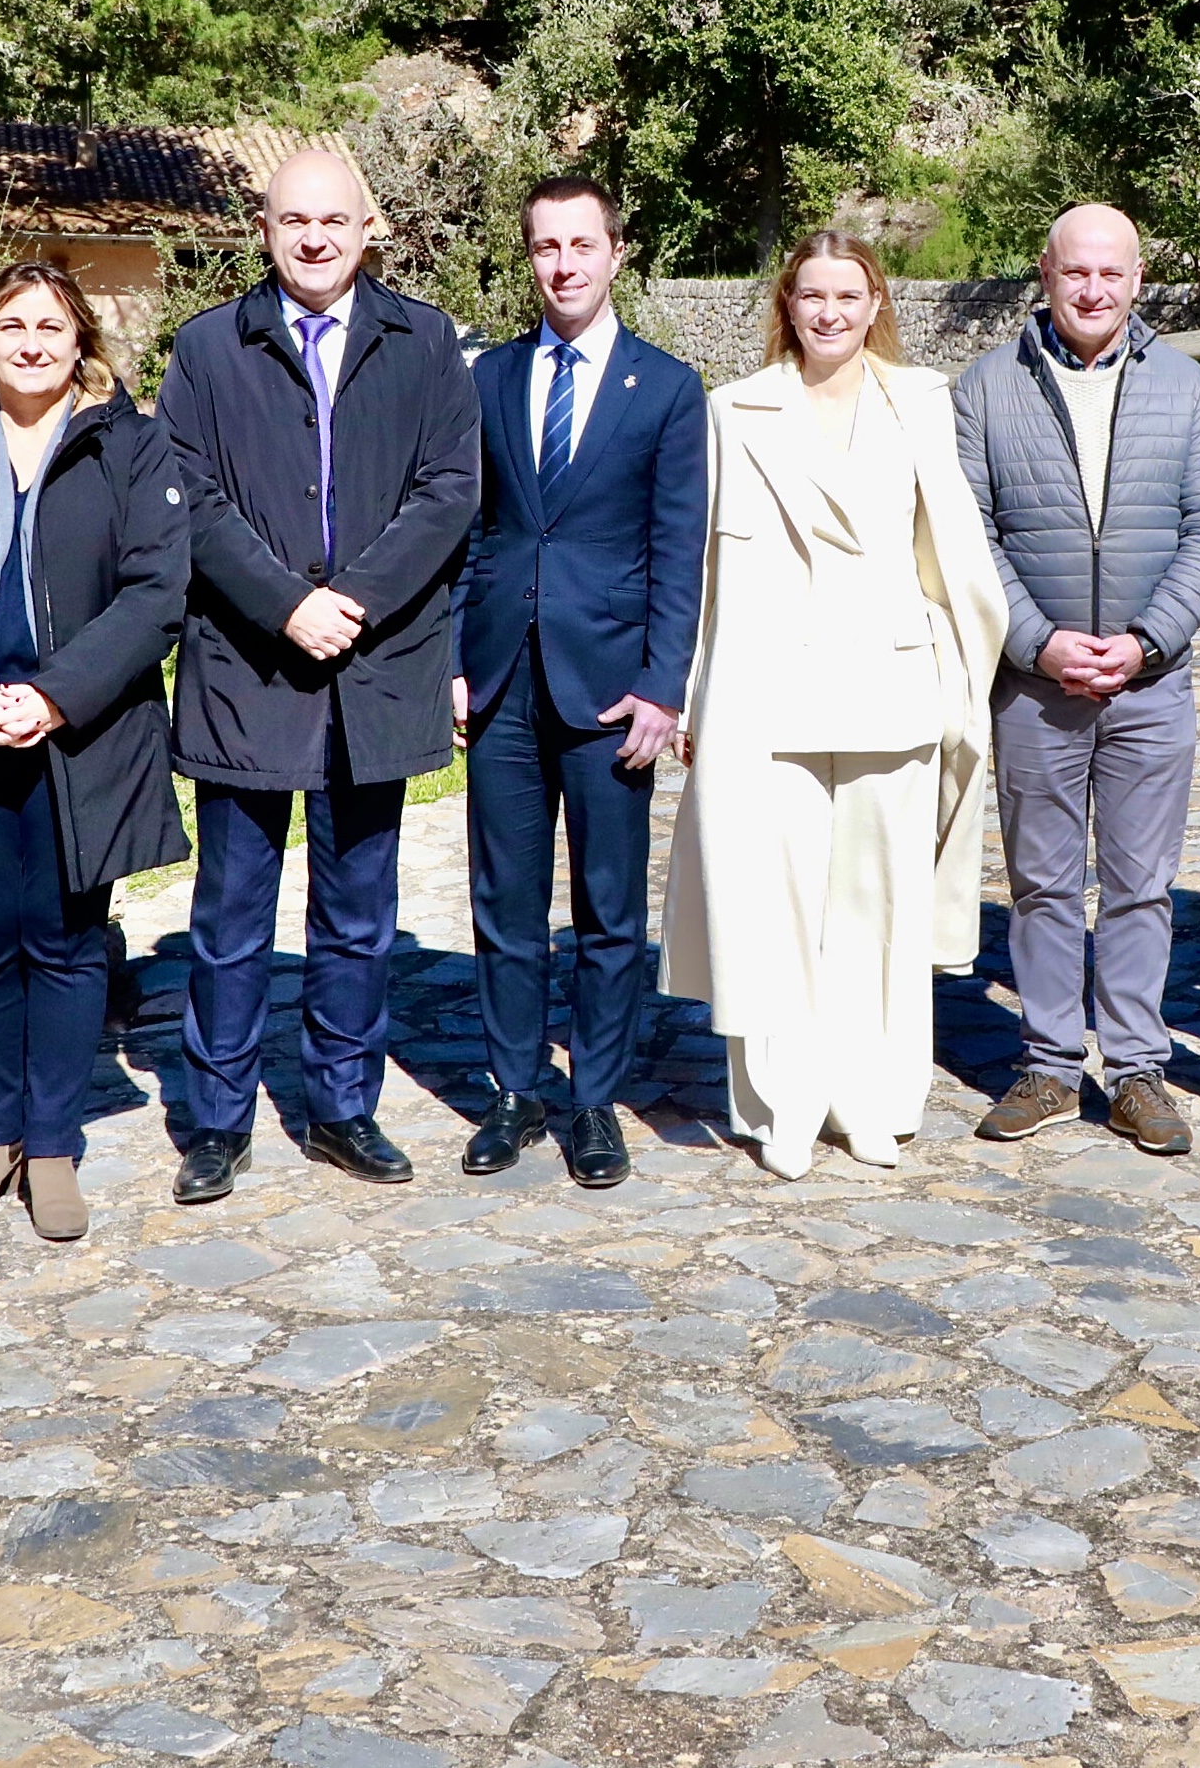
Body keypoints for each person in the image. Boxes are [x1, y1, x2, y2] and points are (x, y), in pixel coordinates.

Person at [159, 150, 478, 1201]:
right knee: (230, 910)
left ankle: (343, 1108)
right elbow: (189, 496)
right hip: (248, 664)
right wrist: (284, 602)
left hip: (375, 663)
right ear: (263, 227)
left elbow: (446, 490)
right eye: (293, 219)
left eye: (332, 220)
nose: (312, 238)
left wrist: (355, 598)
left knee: (355, 910)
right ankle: (216, 1119)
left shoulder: (425, 342)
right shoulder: (208, 349)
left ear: (368, 226)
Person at [664, 233, 1009, 1179]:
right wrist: (694, 692)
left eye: (846, 294)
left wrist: (955, 682)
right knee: (770, 907)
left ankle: (871, 1100)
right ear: (788, 302)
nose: (828, 311)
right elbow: (702, 568)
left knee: (876, 909)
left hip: (889, 689)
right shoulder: (732, 410)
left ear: (873, 301)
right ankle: (781, 1104)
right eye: (811, 294)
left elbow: (951, 557)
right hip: (766, 696)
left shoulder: (921, 402)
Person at [0, 261, 192, 1243]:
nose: (31, 341)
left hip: (78, 737)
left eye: (51, 325)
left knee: (61, 945)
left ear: (80, 339)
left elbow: (154, 593)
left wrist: (51, 697)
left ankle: (51, 1144)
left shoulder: (129, 446)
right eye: (12, 324)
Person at [952, 205, 1200, 1157]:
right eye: (1075, 272)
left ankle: (1135, 1071)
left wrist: (1147, 640)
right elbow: (969, 535)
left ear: (1136, 277)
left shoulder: (1185, 387)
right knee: (1038, 881)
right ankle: (1043, 1061)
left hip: (1148, 684)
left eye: (1110, 273)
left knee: (1139, 884)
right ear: (1044, 272)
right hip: (1034, 685)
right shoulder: (987, 387)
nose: (1092, 289)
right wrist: (1036, 644)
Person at [452, 176, 706, 1189]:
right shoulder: (486, 380)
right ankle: (515, 1090)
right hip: (502, 681)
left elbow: (676, 548)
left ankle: (594, 1098)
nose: (562, 264)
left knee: (607, 911)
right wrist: (451, 665)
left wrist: (662, 686)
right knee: (503, 903)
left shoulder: (667, 387)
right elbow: (467, 532)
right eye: (544, 247)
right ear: (531, 258)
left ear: (614, 253)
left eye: (579, 245)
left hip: (611, 693)